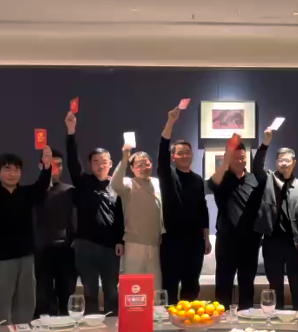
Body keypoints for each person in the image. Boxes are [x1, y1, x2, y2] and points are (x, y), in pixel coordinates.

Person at [0, 148, 53, 325]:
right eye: (7, 169)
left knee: (26, 302)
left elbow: (42, 185)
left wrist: (47, 165)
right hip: (1, 259)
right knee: (0, 303)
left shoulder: (27, 193)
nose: (12, 174)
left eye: (16, 169)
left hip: (26, 256)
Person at [65, 111, 125, 315]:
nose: (100, 164)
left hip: (110, 247)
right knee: (89, 290)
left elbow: (121, 216)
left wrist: (120, 240)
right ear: (90, 165)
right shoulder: (83, 183)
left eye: (104, 161)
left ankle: (113, 325)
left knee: (111, 290)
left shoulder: (117, 186)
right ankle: (91, 326)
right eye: (96, 161)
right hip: (86, 246)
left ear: (111, 163)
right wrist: (71, 131)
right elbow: (72, 161)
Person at [208, 131, 270, 309]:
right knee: (223, 285)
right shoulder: (221, 178)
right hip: (226, 242)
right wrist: (227, 156)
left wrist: (265, 144)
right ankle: (221, 320)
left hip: (250, 242)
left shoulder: (254, 179)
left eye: (242, 158)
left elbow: (259, 166)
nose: (240, 161)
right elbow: (212, 184)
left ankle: (246, 320)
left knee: (247, 286)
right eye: (235, 158)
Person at [158, 107, 210, 304]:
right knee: (170, 285)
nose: (185, 155)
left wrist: (206, 238)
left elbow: (203, 210)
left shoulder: (198, 180)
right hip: (172, 240)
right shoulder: (168, 175)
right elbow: (162, 153)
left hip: (195, 242)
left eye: (188, 152)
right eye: (180, 153)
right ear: (173, 157)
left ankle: (189, 319)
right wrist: (170, 123)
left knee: (191, 285)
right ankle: (170, 320)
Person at [255, 147, 298, 311]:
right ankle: (275, 316)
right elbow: (257, 166)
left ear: (294, 163)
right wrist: (265, 145)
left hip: (294, 243)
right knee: (275, 283)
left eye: (287, 160)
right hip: (272, 241)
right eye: (280, 160)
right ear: (276, 163)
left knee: (297, 282)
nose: (284, 163)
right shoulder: (268, 180)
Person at [111, 145, 163, 289]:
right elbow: (115, 183)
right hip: (134, 243)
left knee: (155, 286)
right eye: (139, 165)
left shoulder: (157, 183)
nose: (143, 168)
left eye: (146, 164)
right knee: (134, 286)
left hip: (156, 243)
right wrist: (125, 157)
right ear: (132, 168)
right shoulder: (128, 183)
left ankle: (155, 306)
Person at [33, 149, 77, 317]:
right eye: (52, 165)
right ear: (41, 165)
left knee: (67, 296)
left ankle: (68, 329)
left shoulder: (70, 191)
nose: (56, 168)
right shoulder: (34, 192)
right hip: (40, 251)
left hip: (66, 251)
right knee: (42, 298)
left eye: (59, 165)